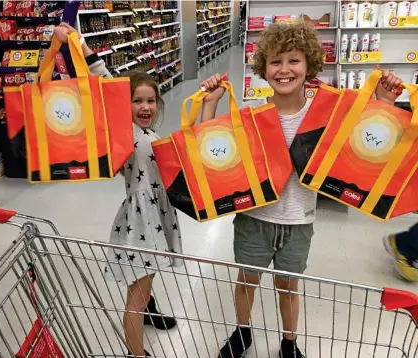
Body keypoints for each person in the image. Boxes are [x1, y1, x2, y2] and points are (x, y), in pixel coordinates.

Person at [200, 23, 403, 358]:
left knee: (289, 287)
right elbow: (210, 152)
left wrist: (383, 100)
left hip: (298, 221)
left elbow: (364, 141)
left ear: (309, 65)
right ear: (263, 68)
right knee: (247, 280)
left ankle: (289, 342)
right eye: (275, 61)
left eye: (293, 60)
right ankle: (242, 332)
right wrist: (209, 104)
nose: (284, 70)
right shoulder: (252, 116)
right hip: (254, 219)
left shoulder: (327, 115)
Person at [54, 24, 183, 358]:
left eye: (150, 100)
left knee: (146, 276)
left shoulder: (148, 132)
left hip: (154, 213)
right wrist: (80, 45)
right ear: (122, 106)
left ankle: (150, 309)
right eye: (136, 101)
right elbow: (105, 81)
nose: (144, 107)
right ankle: (135, 353)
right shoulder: (124, 131)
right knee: (135, 296)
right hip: (142, 221)